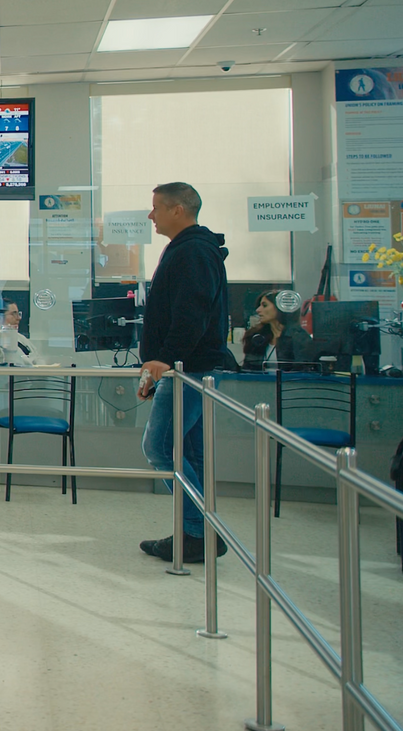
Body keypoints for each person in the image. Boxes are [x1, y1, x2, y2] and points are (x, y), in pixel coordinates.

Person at [136, 182, 233, 564]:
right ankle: (200, 531)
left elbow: (191, 313)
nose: (151, 215)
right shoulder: (191, 249)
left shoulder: (193, 252)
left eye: (156, 207)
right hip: (183, 368)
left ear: (178, 210)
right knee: (190, 451)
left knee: (159, 447)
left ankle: (198, 532)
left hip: (186, 369)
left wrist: (166, 360)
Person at [241, 290, 313, 370]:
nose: (258, 310)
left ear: (280, 308)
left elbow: (303, 371)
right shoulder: (256, 337)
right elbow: (248, 369)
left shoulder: (299, 338)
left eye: (264, 305)